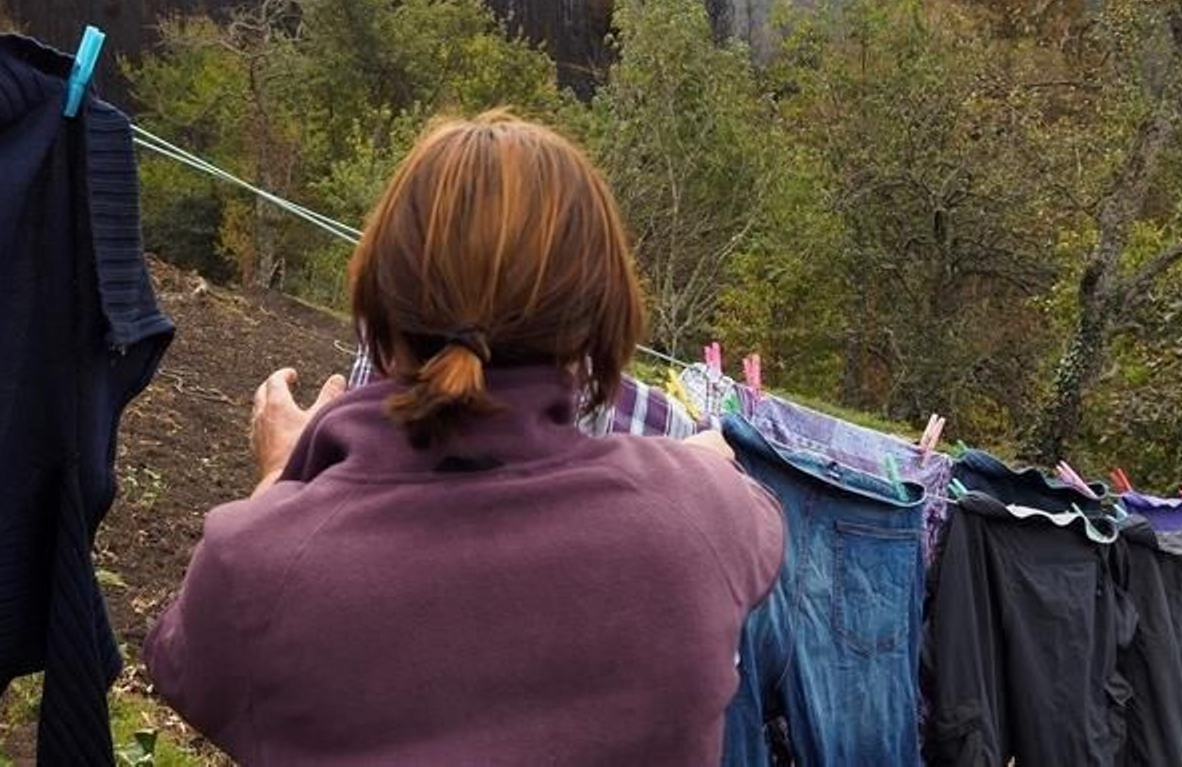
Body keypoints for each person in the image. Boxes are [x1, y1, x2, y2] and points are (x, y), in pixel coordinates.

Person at [144, 111, 784, 765]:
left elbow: (193, 668)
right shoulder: (708, 516)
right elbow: (746, 507)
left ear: (382, 313)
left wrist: (281, 474)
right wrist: (687, 469)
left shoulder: (253, 565)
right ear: (599, 323)